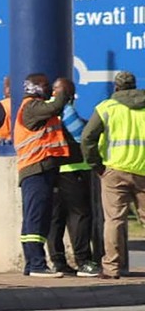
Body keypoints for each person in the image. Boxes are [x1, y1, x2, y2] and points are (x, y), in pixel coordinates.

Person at [81, 71, 145, 280]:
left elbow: (87, 137)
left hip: (114, 171)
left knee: (114, 220)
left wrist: (95, 164)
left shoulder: (106, 108)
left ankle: (111, 268)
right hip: (143, 171)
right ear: (135, 86)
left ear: (116, 88)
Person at [13, 73, 70, 278]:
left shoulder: (35, 108)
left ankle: (32, 264)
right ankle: (37, 264)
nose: (49, 90)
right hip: (36, 168)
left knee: (37, 218)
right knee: (36, 218)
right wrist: (62, 90)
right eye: (46, 86)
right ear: (35, 87)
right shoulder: (32, 107)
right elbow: (55, 106)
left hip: (42, 169)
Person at [46, 78, 100, 277]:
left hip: (51, 170)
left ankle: (58, 262)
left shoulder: (45, 111)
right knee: (80, 215)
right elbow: (81, 135)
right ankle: (83, 261)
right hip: (73, 170)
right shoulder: (65, 110)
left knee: (56, 218)